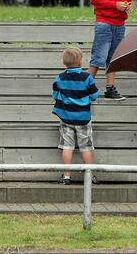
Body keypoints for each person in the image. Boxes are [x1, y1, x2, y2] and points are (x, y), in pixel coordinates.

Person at [52, 47, 100, 185]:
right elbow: (94, 95)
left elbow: (55, 94)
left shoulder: (60, 78)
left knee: (67, 146)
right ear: (80, 62)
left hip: (66, 117)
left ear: (63, 62)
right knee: (86, 147)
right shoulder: (87, 78)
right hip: (83, 118)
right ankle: (89, 175)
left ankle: (66, 176)